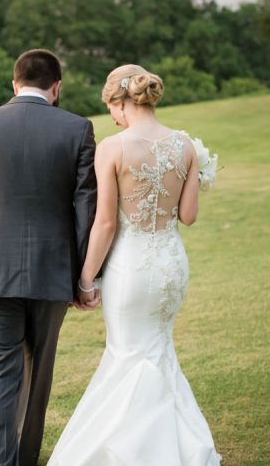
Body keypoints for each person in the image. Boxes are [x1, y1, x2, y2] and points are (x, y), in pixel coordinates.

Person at [49, 64, 221, 465]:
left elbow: (106, 222)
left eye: (111, 107)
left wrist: (86, 278)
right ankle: (177, 446)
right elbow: (189, 216)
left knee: (128, 352)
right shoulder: (186, 146)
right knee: (157, 348)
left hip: (131, 267)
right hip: (171, 263)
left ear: (121, 101)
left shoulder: (113, 147)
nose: (111, 116)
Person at [0, 49, 98, 466]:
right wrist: (87, 278)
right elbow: (87, 208)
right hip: (53, 273)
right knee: (38, 372)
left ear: (15, 84)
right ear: (56, 87)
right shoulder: (77, 128)